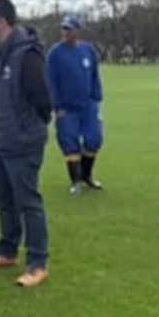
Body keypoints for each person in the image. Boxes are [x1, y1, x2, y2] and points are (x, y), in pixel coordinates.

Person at [0, 0, 52, 288]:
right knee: (3, 199)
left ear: (0, 22)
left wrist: (26, 128)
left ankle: (38, 262)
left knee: (28, 201)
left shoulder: (26, 53)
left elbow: (42, 99)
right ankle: (7, 251)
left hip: (21, 141)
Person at [46, 14, 104, 195]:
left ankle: (87, 175)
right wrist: (56, 107)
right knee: (69, 144)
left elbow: (95, 76)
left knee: (94, 139)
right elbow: (50, 81)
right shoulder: (55, 53)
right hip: (67, 109)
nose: (66, 32)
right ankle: (76, 181)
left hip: (88, 106)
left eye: (70, 29)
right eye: (64, 28)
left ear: (78, 30)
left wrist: (96, 99)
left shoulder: (88, 50)